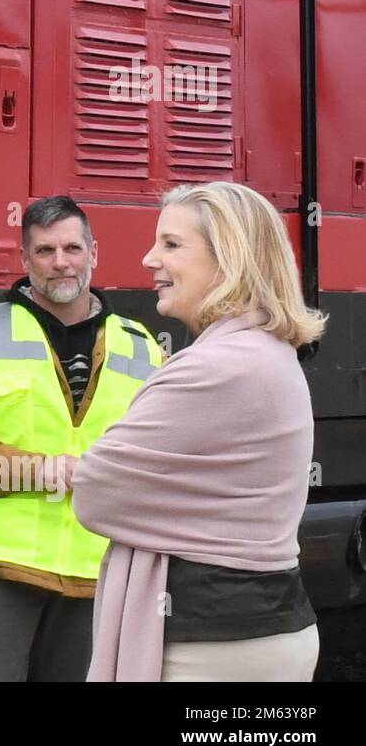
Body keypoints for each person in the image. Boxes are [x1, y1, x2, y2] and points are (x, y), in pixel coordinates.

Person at [72, 182, 324, 682]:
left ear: (228, 260)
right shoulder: (268, 354)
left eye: (171, 244)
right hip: (261, 627)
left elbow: (95, 494)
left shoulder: (213, 368)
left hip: (209, 644)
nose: (149, 259)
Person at [0, 195, 162, 681]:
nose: (60, 262)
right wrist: (41, 470)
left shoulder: (143, 347)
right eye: (45, 251)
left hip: (100, 569)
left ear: (94, 253)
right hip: (0, 570)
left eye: (72, 247)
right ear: (24, 260)